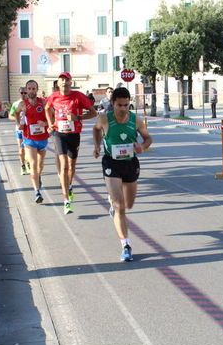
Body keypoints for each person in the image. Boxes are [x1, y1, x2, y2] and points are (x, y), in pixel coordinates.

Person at [93, 87, 153, 262]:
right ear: (113, 104)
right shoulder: (104, 118)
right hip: (111, 162)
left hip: (130, 163)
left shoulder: (136, 120)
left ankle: (115, 205)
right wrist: (97, 146)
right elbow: (97, 130)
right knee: (120, 207)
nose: (123, 108)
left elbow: (148, 138)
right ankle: (126, 245)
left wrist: (143, 146)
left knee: (129, 204)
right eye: (120, 105)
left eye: (126, 105)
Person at [45, 72, 97, 215]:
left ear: (70, 82)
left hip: (74, 134)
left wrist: (77, 117)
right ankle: (66, 201)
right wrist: (50, 124)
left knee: (71, 167)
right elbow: (46, 108)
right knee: (63, 165)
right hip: (59, 134)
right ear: (58, 82)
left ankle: (70, 184)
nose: (64, 83)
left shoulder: (78, 96)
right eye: (62, 80)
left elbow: (94, 113)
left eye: (67, 80)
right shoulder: (53, 96)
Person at [12, 80, 49, 204]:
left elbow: (53, 117)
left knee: (40, 165)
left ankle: (38, 177)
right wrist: (19, 124)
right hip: (29, 139)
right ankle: (37, 192)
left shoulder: (43, 102)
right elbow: (15, 113)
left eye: (34, 88)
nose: (31, 91)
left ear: (37, 90)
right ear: (26, 90)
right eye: (29, 88)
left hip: (43, 138)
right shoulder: (22, 104)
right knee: (33, 164)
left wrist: (45, 123)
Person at [9, 86, 29, 175]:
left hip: (29, 129)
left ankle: (28, 163)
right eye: (22, 93)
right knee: (21, 149)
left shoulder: (30, 102)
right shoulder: (15, 104)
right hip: (19, 130)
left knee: (29, 149)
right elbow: (10, 116)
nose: (24, 94)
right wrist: (18, 120)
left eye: (25, 93)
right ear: (19, 93)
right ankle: (22, 166)